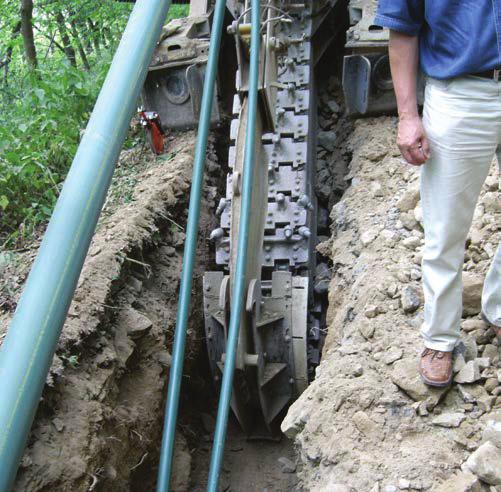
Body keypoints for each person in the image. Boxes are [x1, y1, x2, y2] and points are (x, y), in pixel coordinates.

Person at [373, 1, 501, 387]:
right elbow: (403, 25)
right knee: (446, 230)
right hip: (462, 95)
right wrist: (408, 115)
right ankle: (440, 340)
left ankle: (497, 310)